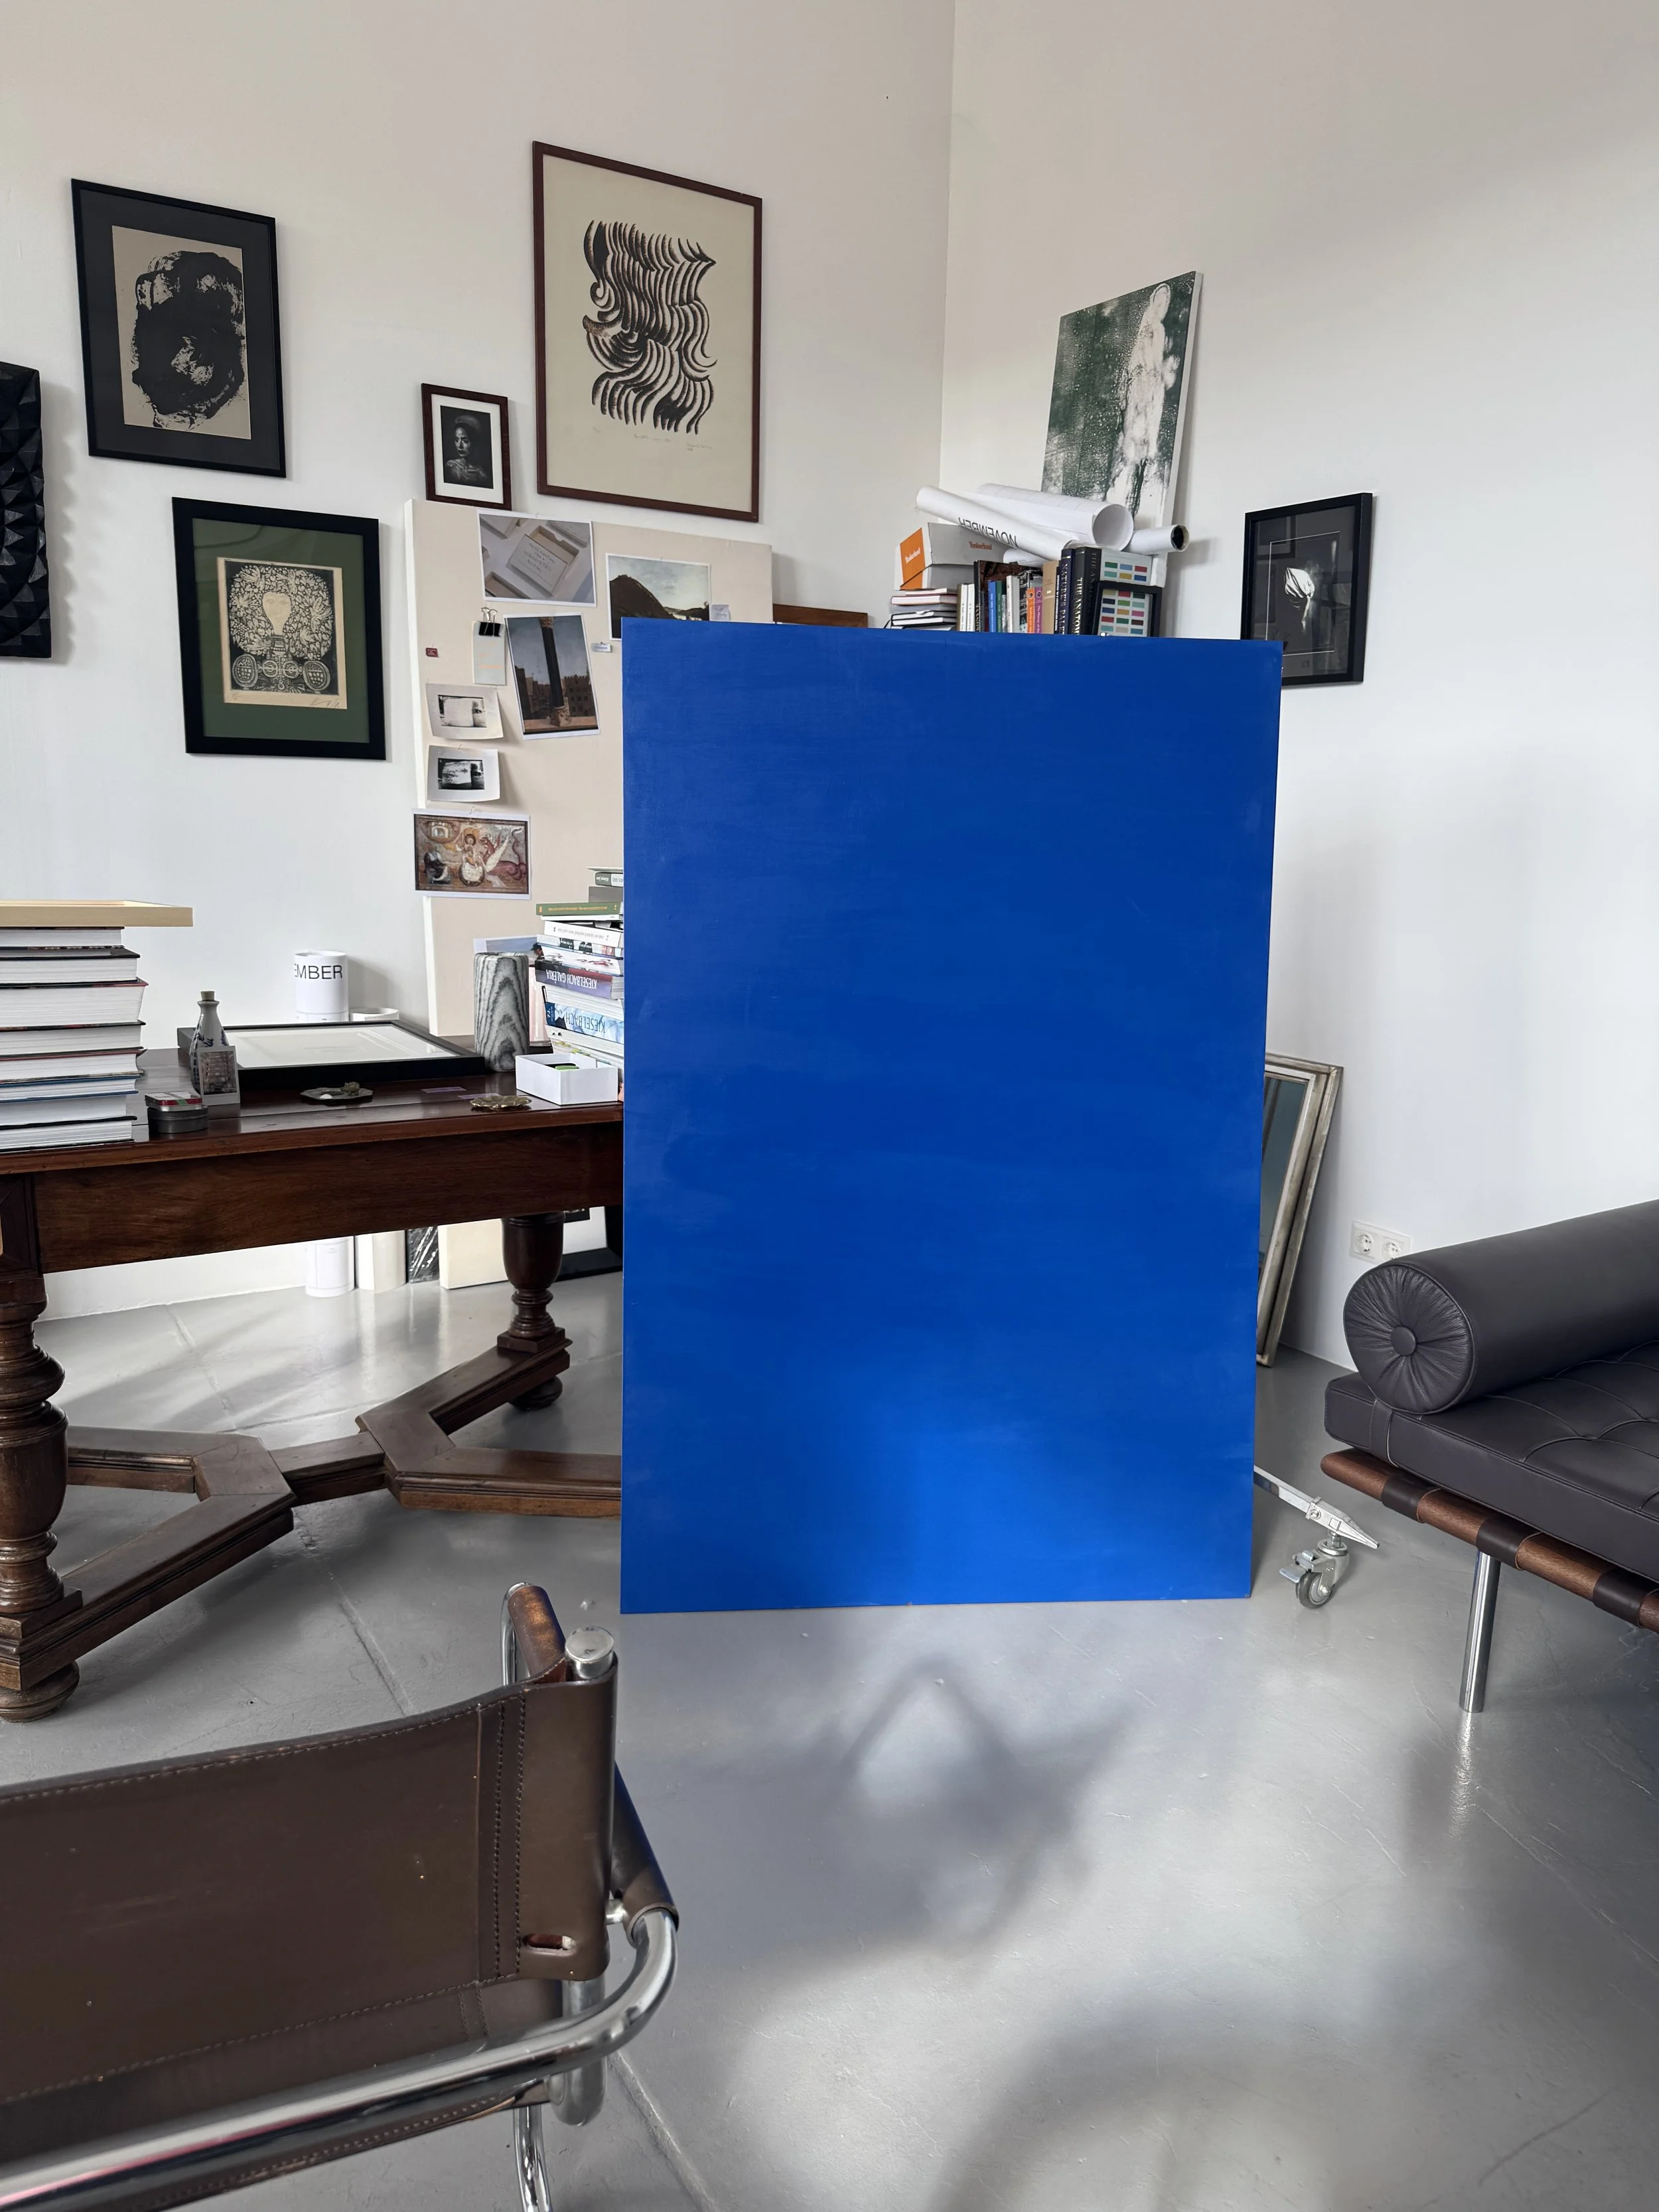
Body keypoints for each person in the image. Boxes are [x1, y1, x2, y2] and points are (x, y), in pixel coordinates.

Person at [442, 412, 490, 488]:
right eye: (457, 440)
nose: (459, 445)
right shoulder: (451, 466)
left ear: (475, 442)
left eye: (465, 441)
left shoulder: (481, 475)